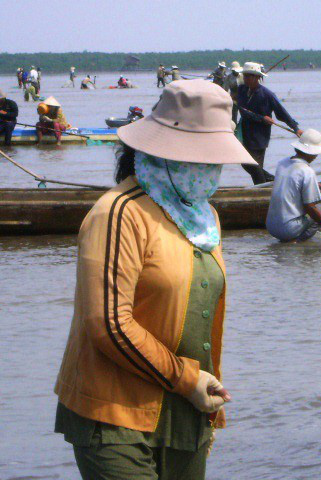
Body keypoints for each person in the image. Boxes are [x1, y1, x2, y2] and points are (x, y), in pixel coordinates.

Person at [54, 79, 255, 480]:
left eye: (216, 158)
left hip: (185, 410)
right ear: (162, 149)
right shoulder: (119, 213)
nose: (209, 169)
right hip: (115, 413)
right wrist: (187, 379)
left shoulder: (203, 217)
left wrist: (201, 393)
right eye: (201, 156)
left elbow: (198, 312)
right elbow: (109, 323)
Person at [266, 129, 321, 242]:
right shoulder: (307, 171)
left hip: (271, 226)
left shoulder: (282, 163)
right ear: (311, 152)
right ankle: (297, 241)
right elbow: (310, 207)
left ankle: (292, 237)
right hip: (288, 229)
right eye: (315, 153)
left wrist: (320, 186)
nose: (316, 156)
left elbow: (293, 182)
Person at [236, 62, 302, 184]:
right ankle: (271, 180)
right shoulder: (241, 90)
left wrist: (295, 128)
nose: (245, 78)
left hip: (260, 136)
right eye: (244, 76)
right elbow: (243, 111)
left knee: (255, 166)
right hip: (244, 133)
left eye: (248, 76)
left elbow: (281, 112)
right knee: (246, 163)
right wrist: (262, 118)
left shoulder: (267, 94)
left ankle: (263, 188)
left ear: (257, 77)